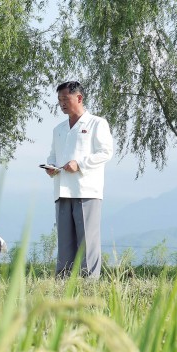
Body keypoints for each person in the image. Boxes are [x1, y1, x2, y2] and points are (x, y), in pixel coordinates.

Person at [43, 81, 113, 278]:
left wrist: (79, 164)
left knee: (87, 241)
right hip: (62, 190)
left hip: (86, 190)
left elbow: (105, 152)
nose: (62, 104)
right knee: (64, 241)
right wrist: (50, 166)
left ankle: (89, 284)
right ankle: (63, 282)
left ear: (79, 98)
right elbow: (53, 155)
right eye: (59, 100)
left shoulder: (97, 123)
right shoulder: (58, 128)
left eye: (65, 99)